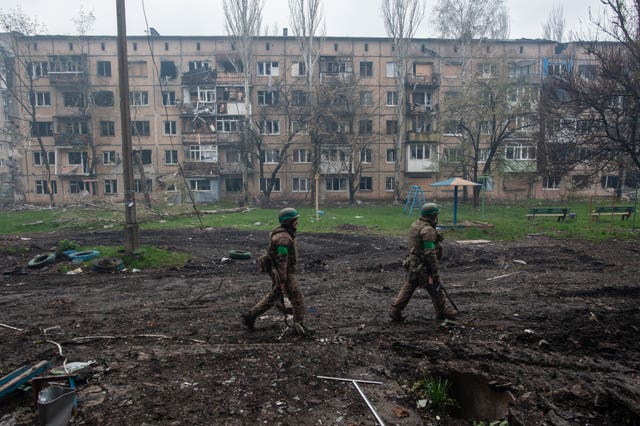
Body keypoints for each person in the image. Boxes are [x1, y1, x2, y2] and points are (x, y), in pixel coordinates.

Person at [242, 207, 309, 336]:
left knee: (274, 296)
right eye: (295, 220)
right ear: (288, 221)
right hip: (282, 273)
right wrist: (283, 280)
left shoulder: (284, 233)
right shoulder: (283, 238)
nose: (297, 222)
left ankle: (250, 316)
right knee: (298, 299)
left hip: (279, 272)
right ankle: (299, 326)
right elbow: (282, 261)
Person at [389, 202, 458, 322]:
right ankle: (441, 311)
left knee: (409, 286)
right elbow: (430, 252)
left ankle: (395, 310)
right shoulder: (428, 230)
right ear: (433, 216)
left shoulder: (416, 225)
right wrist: (435, 270)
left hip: (413, 263)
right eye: (436, 215)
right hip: (423, 265)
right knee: (435, 286)